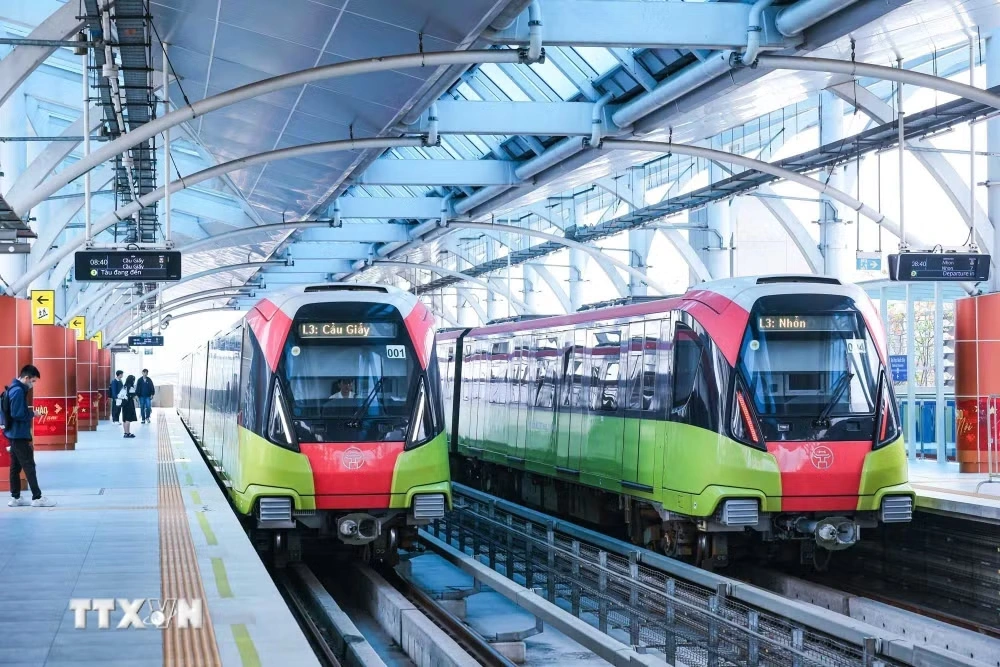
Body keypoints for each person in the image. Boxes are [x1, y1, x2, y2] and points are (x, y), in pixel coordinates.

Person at [3, 365, 55, 507]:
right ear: (26, 378)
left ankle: (15, 497)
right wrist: (33, 414)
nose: (33, 384)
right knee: (29, 465)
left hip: (13, 434)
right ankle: (37, 497)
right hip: (19, 435)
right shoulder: (18, 391)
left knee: (15, 467)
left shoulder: (12, 389)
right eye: (33, 381)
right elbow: (17, 414)